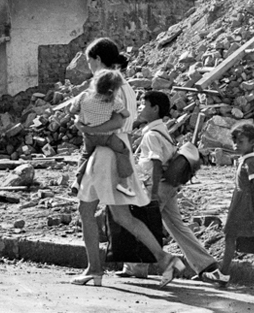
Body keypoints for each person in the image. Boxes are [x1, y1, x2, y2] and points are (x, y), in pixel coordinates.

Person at [71, 37, 184, 287]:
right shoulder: (126, 86)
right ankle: (164, 258)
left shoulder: (107, 84)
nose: (89, 66)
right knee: (121, 215)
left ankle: (94, 269)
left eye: (90, 61)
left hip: (104, 153)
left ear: (98, 60)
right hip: (118, 152)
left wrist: (88, 128)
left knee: (87, 210)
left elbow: (116, 121)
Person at [115, 90, 220, 281]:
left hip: (157, 186)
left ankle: (136, 268)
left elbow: (155, 164)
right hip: (168, 185)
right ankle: (206, 265)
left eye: (143, 105)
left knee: (141, 222)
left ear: (154, 109)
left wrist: (153, 193)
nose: (140, 108)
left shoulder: (151, 136)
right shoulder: (162, 130)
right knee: (176, 226)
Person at [201, 123, 254, 291]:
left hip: (246, 205)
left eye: (240, 141)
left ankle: (224, 274)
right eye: (235, 141)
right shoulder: (247, 159)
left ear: (252, 143)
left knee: (231, 236)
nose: (236, 145)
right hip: (246, 202)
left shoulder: (252, 161)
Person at [70, 68, 134, 197]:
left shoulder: (84, 96)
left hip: (88, 136)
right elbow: (126, 114)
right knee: (122, 151)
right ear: (113, 89)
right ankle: (123, 183)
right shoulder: (114, 101)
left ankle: (77, 181)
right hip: (107, 137)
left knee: (85, 155)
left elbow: (72, 109)